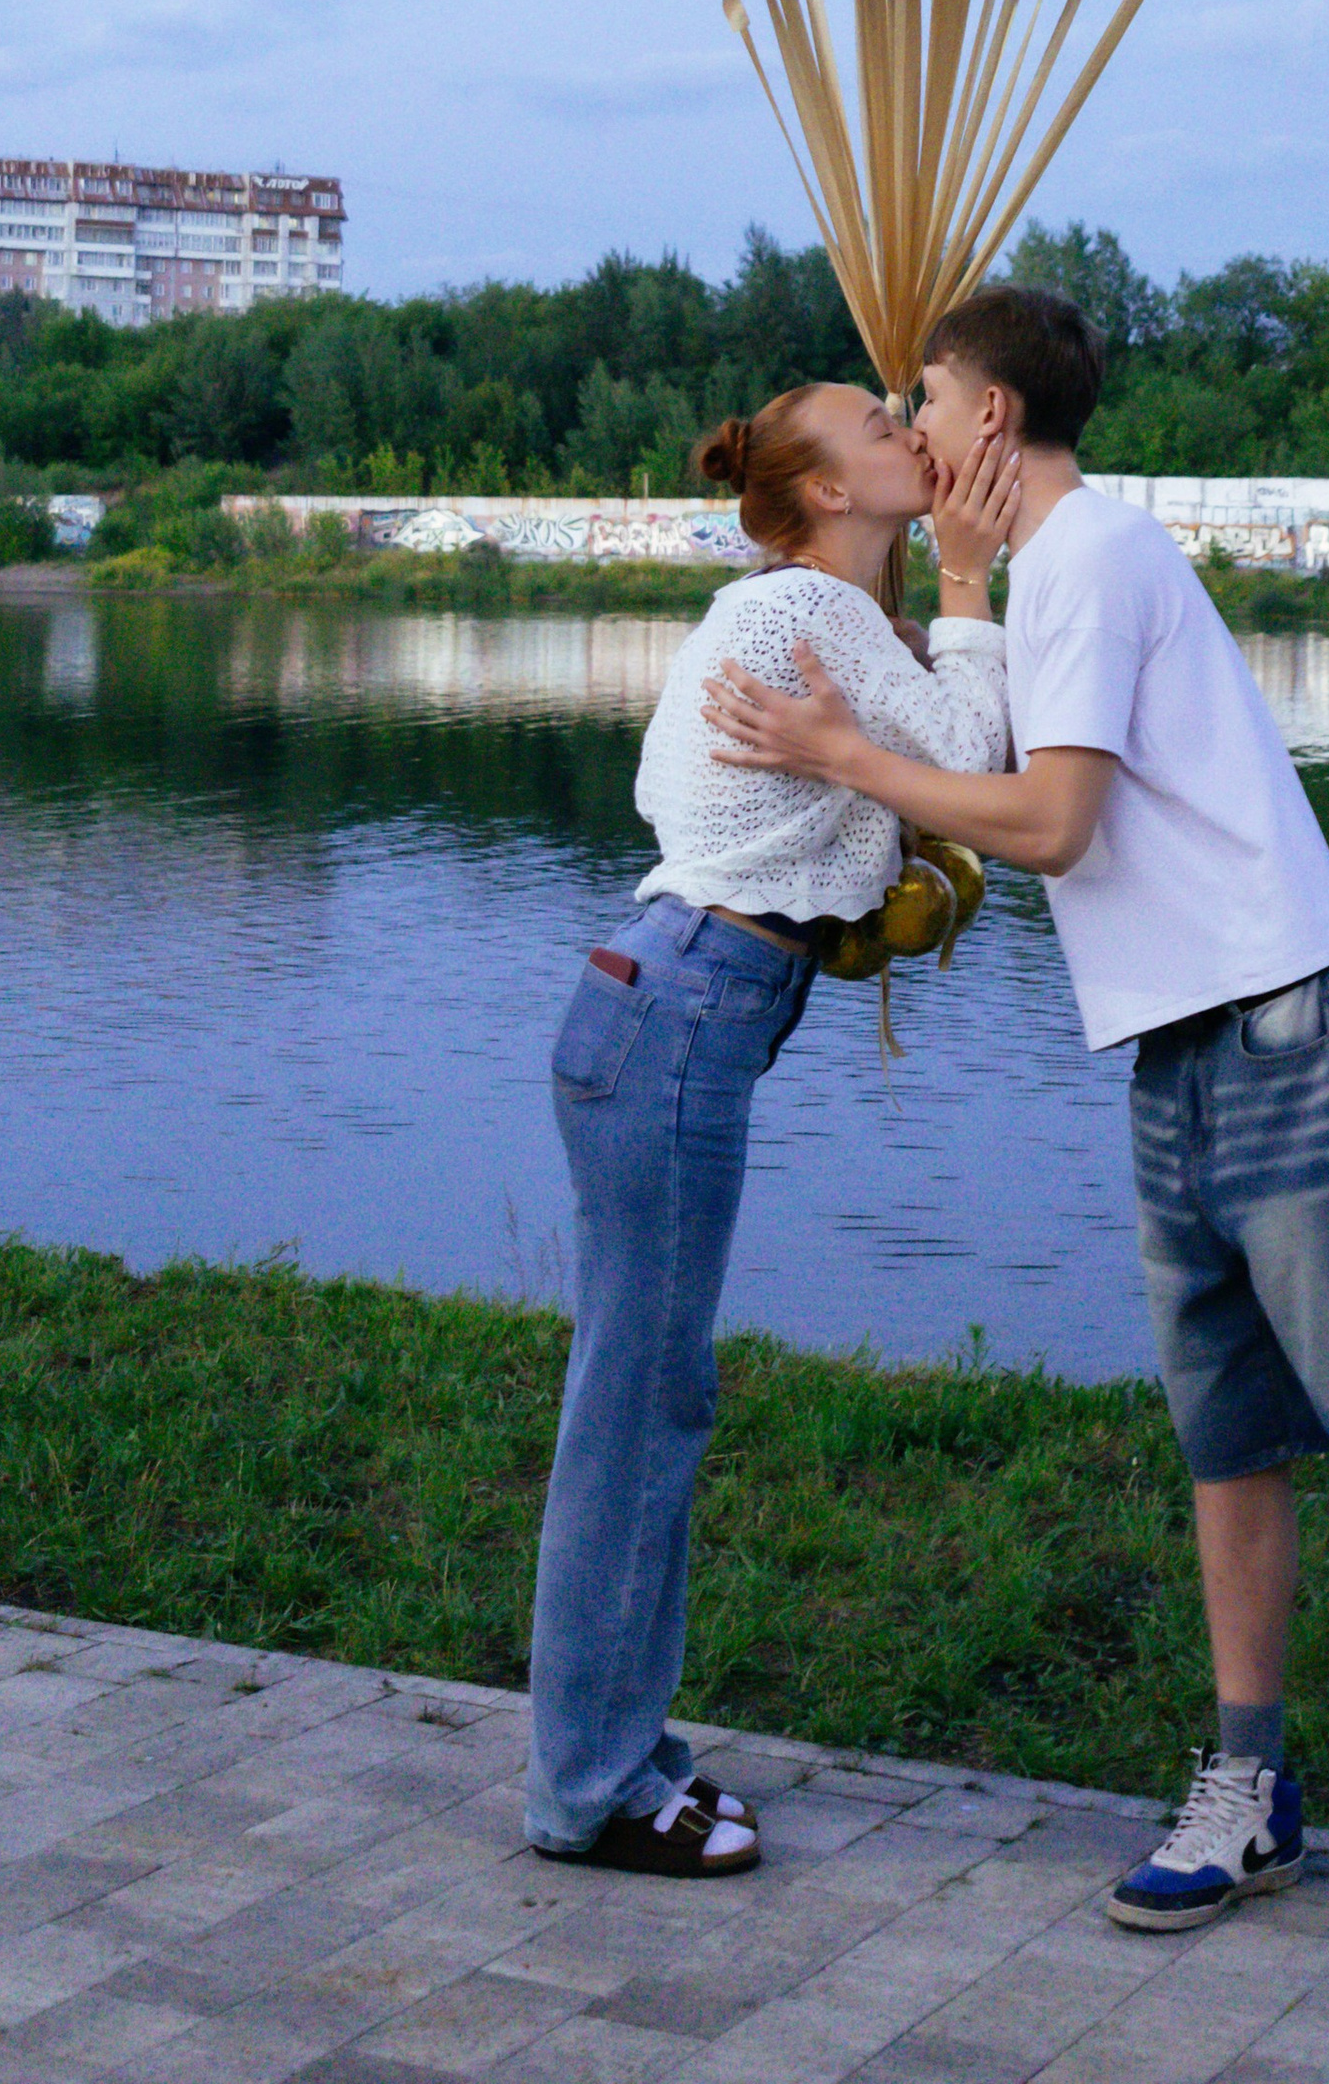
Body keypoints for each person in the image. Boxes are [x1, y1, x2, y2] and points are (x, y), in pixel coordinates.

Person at [702, 285, 1329, 2013]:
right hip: (1178, 1037)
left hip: (1285, 1015)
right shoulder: (1043, 572)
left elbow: (1054, 822)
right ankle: (1252, 1784)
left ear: (987, 419)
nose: (911, 425)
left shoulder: (1101, 558)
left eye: (925, 397)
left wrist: (838, 749)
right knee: (1228, 1434)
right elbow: (994, 760)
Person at [524, 379, 1020, 1879]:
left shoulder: (784, 609)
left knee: (642, 1397)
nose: (905, 434)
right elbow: (982, 761)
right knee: (642, 1410)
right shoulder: (816, 603)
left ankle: (620, 1751)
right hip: (679, 1024)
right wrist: (973, 576)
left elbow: (675, 787)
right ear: (822, 494)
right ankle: (593, 1788)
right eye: (879, 431)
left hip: (660, 1004)